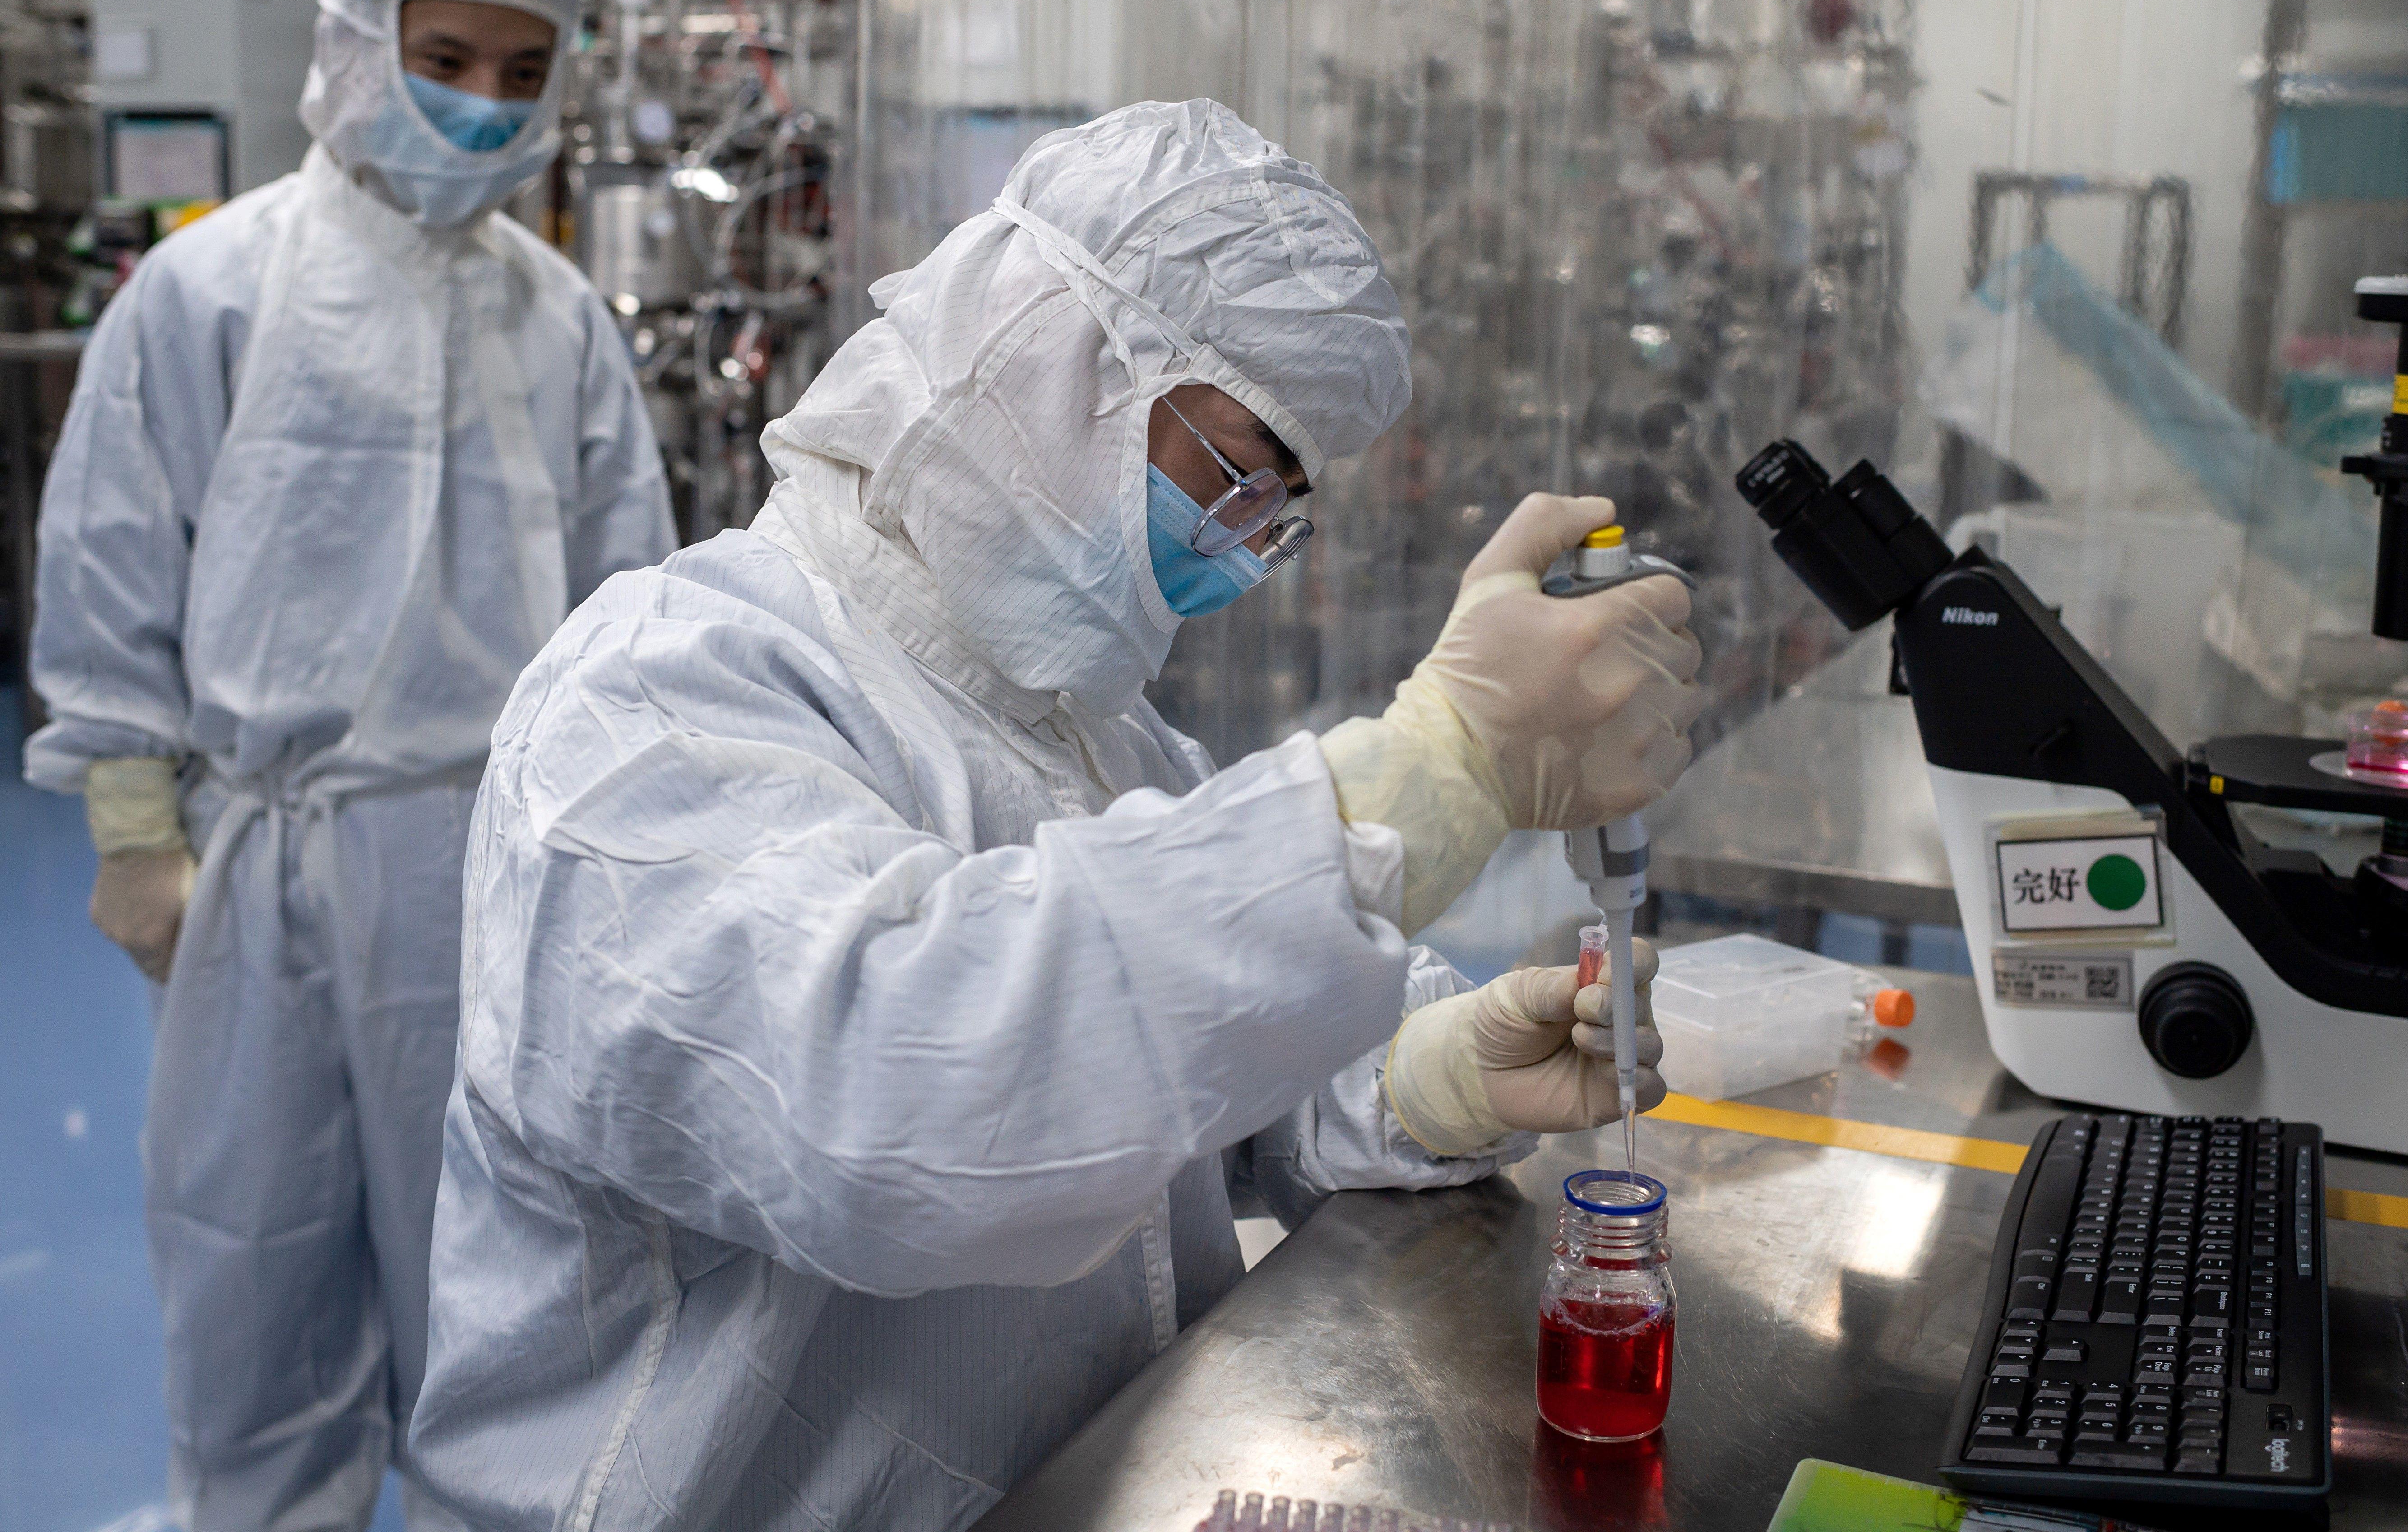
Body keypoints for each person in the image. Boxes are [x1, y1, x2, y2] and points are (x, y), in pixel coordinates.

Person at [408, 99, 1704, 1530]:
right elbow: (902, 1102)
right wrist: (1432, 775)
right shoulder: (654, 695)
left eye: (1282, 508)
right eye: (1236, 471)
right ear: (1051, 357)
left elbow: (1164, 1079)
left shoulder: (1089, 731)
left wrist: (1416, 1078)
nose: (1246, 545)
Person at [23, 0, 676, 1530]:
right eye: (444, 59)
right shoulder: (210, 289)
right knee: (256, 1268)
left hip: (510, 874)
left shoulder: (561, 320)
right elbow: (114, 558)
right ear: (353, 45)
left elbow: (635, 609)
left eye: (522, 73)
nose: (484, 105)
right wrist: (132, 823)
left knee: (511, 1292)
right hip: (267, 867)